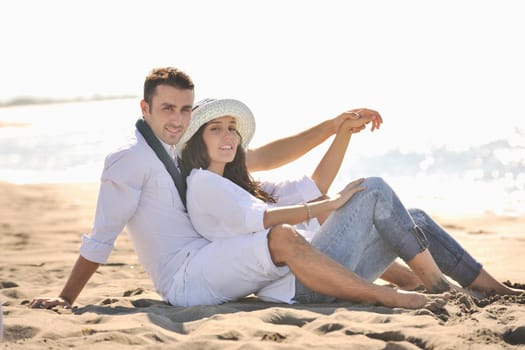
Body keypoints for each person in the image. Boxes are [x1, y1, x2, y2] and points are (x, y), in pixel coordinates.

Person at [29, 67, 387, 309]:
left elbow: (263, 155)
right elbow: (102, 236)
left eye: (185, 110)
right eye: (167, 108)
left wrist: (333, 126)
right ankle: (380, 292)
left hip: (213, 253)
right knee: (287, 231)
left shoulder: (181, 147)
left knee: (310, 219)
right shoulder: (130, 159)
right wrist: (66, 298)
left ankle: (402, 276)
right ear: (145, 107)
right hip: (186, 278)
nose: (177, 119)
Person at [177, 98, 522, 308]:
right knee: (373, 190)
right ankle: (439, 288)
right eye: (215, 129)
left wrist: (342, 133)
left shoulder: (241, 184)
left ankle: (490, 287)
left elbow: (315, 185)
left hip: (326, 274)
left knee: (414, 218)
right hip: (300, 285)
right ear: (196, 141)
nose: (228, 136)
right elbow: (266, 220)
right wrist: (329, 206)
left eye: (231, 128)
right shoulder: (203, 184)